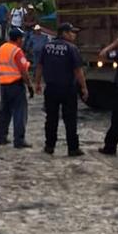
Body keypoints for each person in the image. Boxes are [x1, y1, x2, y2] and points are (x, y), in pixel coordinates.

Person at [35, 23, 88, 157]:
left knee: (51, 118)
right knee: (70, 119)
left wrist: (37, 83)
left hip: (51, 88)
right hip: (68, 88)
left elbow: (40, 66)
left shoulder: (47, 47)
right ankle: (73, 148)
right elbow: (78, 70)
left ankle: (49, 146)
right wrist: (83, 87)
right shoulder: (72, 48)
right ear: (64, 33)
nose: (74, 35)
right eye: (72, 32)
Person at [0, 28, 34, 149]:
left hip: (4, 84)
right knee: (19, 112)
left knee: (4, 112)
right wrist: (29, 85)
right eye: (21, 38)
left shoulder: (1, 48)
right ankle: (19, 139)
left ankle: (0, 137)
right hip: (16, 85)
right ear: (18, 39)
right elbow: (23, 70)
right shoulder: (17, 51)